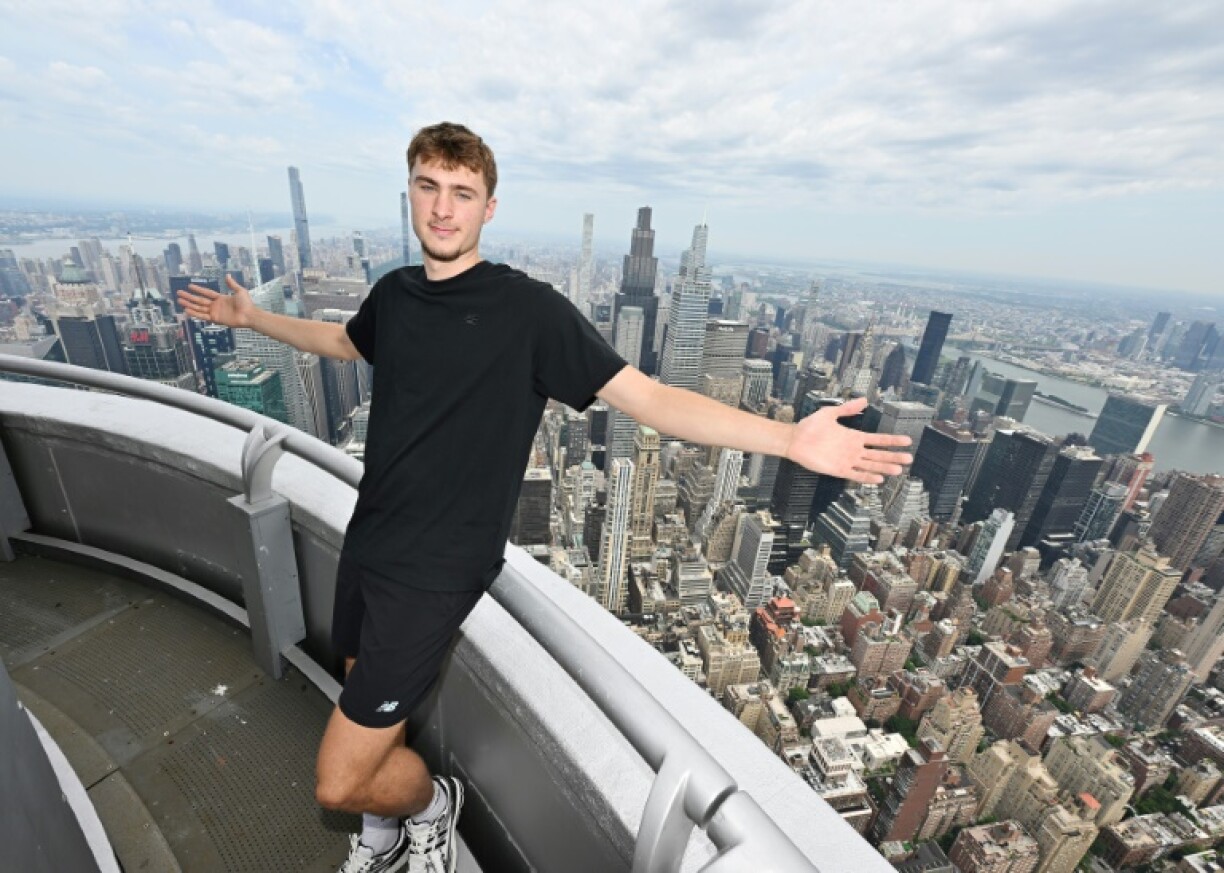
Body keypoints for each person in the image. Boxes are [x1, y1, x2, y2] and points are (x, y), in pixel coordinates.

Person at [177, 122, 911, 873]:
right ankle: (381, 833)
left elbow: (650, 399)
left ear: (488, 208)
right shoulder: (395, 294)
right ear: (411, 193)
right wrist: (252, 317)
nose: (443, 208)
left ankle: (429, 808)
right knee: (361, 683)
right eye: (429, 187)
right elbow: (343, 342)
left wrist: (788, 438)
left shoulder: (528, 312)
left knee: (338, 779)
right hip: (370, 540)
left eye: (462, 193)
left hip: (435, 572)